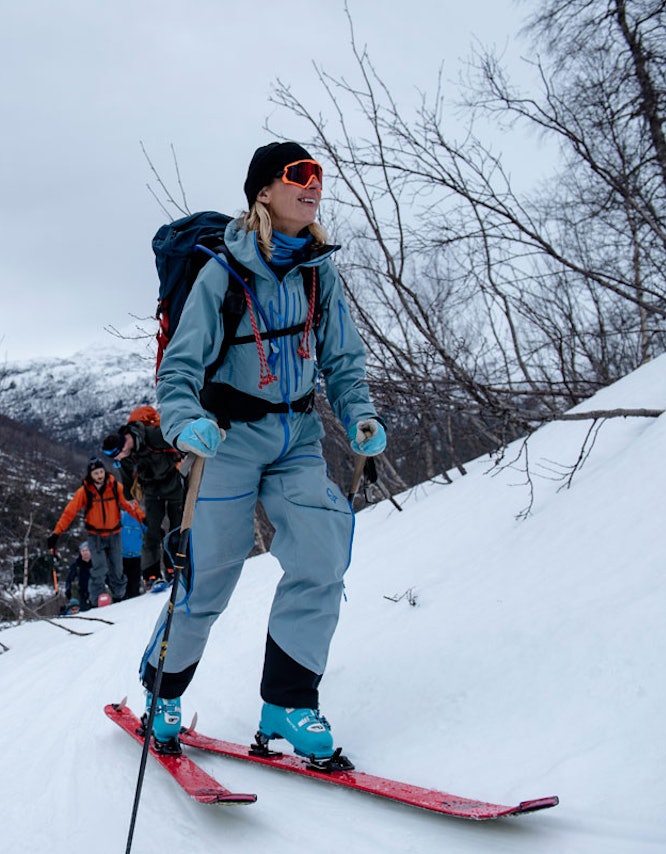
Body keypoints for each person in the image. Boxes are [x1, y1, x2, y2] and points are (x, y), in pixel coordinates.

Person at [138, 142, 387, 760]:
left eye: (318, 176)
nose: (313, 185)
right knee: (210, 578)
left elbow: (345, 365)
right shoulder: (222, 275)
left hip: (297, 439)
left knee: (322, 553)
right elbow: (178, 375)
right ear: (264, 193)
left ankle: (289, 702)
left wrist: (361, 417)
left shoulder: (317, 273)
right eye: (298, 174)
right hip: (227, 442)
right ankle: (163, 692)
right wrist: (184, 423)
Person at [102, 405, 185, 586]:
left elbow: (178, 440)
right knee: (152, 532)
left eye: (118, 455)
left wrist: (187, 456)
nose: (118, 459)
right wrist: (129, 497)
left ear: (124, 443)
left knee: (177, 527)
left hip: (174, 486)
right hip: (152, 490)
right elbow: (126, 475)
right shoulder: (125, 456)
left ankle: (175, 567)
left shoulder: (153, 435)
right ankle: (151, 575)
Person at [48, 459, 145, 606]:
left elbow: (129, 505)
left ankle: (120, 596)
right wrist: (57, 533)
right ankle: (98, 600)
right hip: (96, 536)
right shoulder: (85, 492)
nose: (99, 475)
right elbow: (70, 512)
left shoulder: (114, 487)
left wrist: (144, 520)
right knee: (99, 568)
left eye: (101, 472)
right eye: (95, 473)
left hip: (114, 534)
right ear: (90, 475)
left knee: (117, 569)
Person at [118, 510, 145, 598]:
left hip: (136, 555)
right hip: (123, 556)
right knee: (125, 584)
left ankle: (134, 600)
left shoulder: (140, 516)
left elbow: (147, 529)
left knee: (134, 583)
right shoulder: (121, 516)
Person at [62, 541, 94, 612]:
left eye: (87, 550)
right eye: (83, 551)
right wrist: (68, 590)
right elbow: (69, 579)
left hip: (95, 592)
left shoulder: (96, 564)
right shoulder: (76, 565)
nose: (85, 552)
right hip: (81, 594)